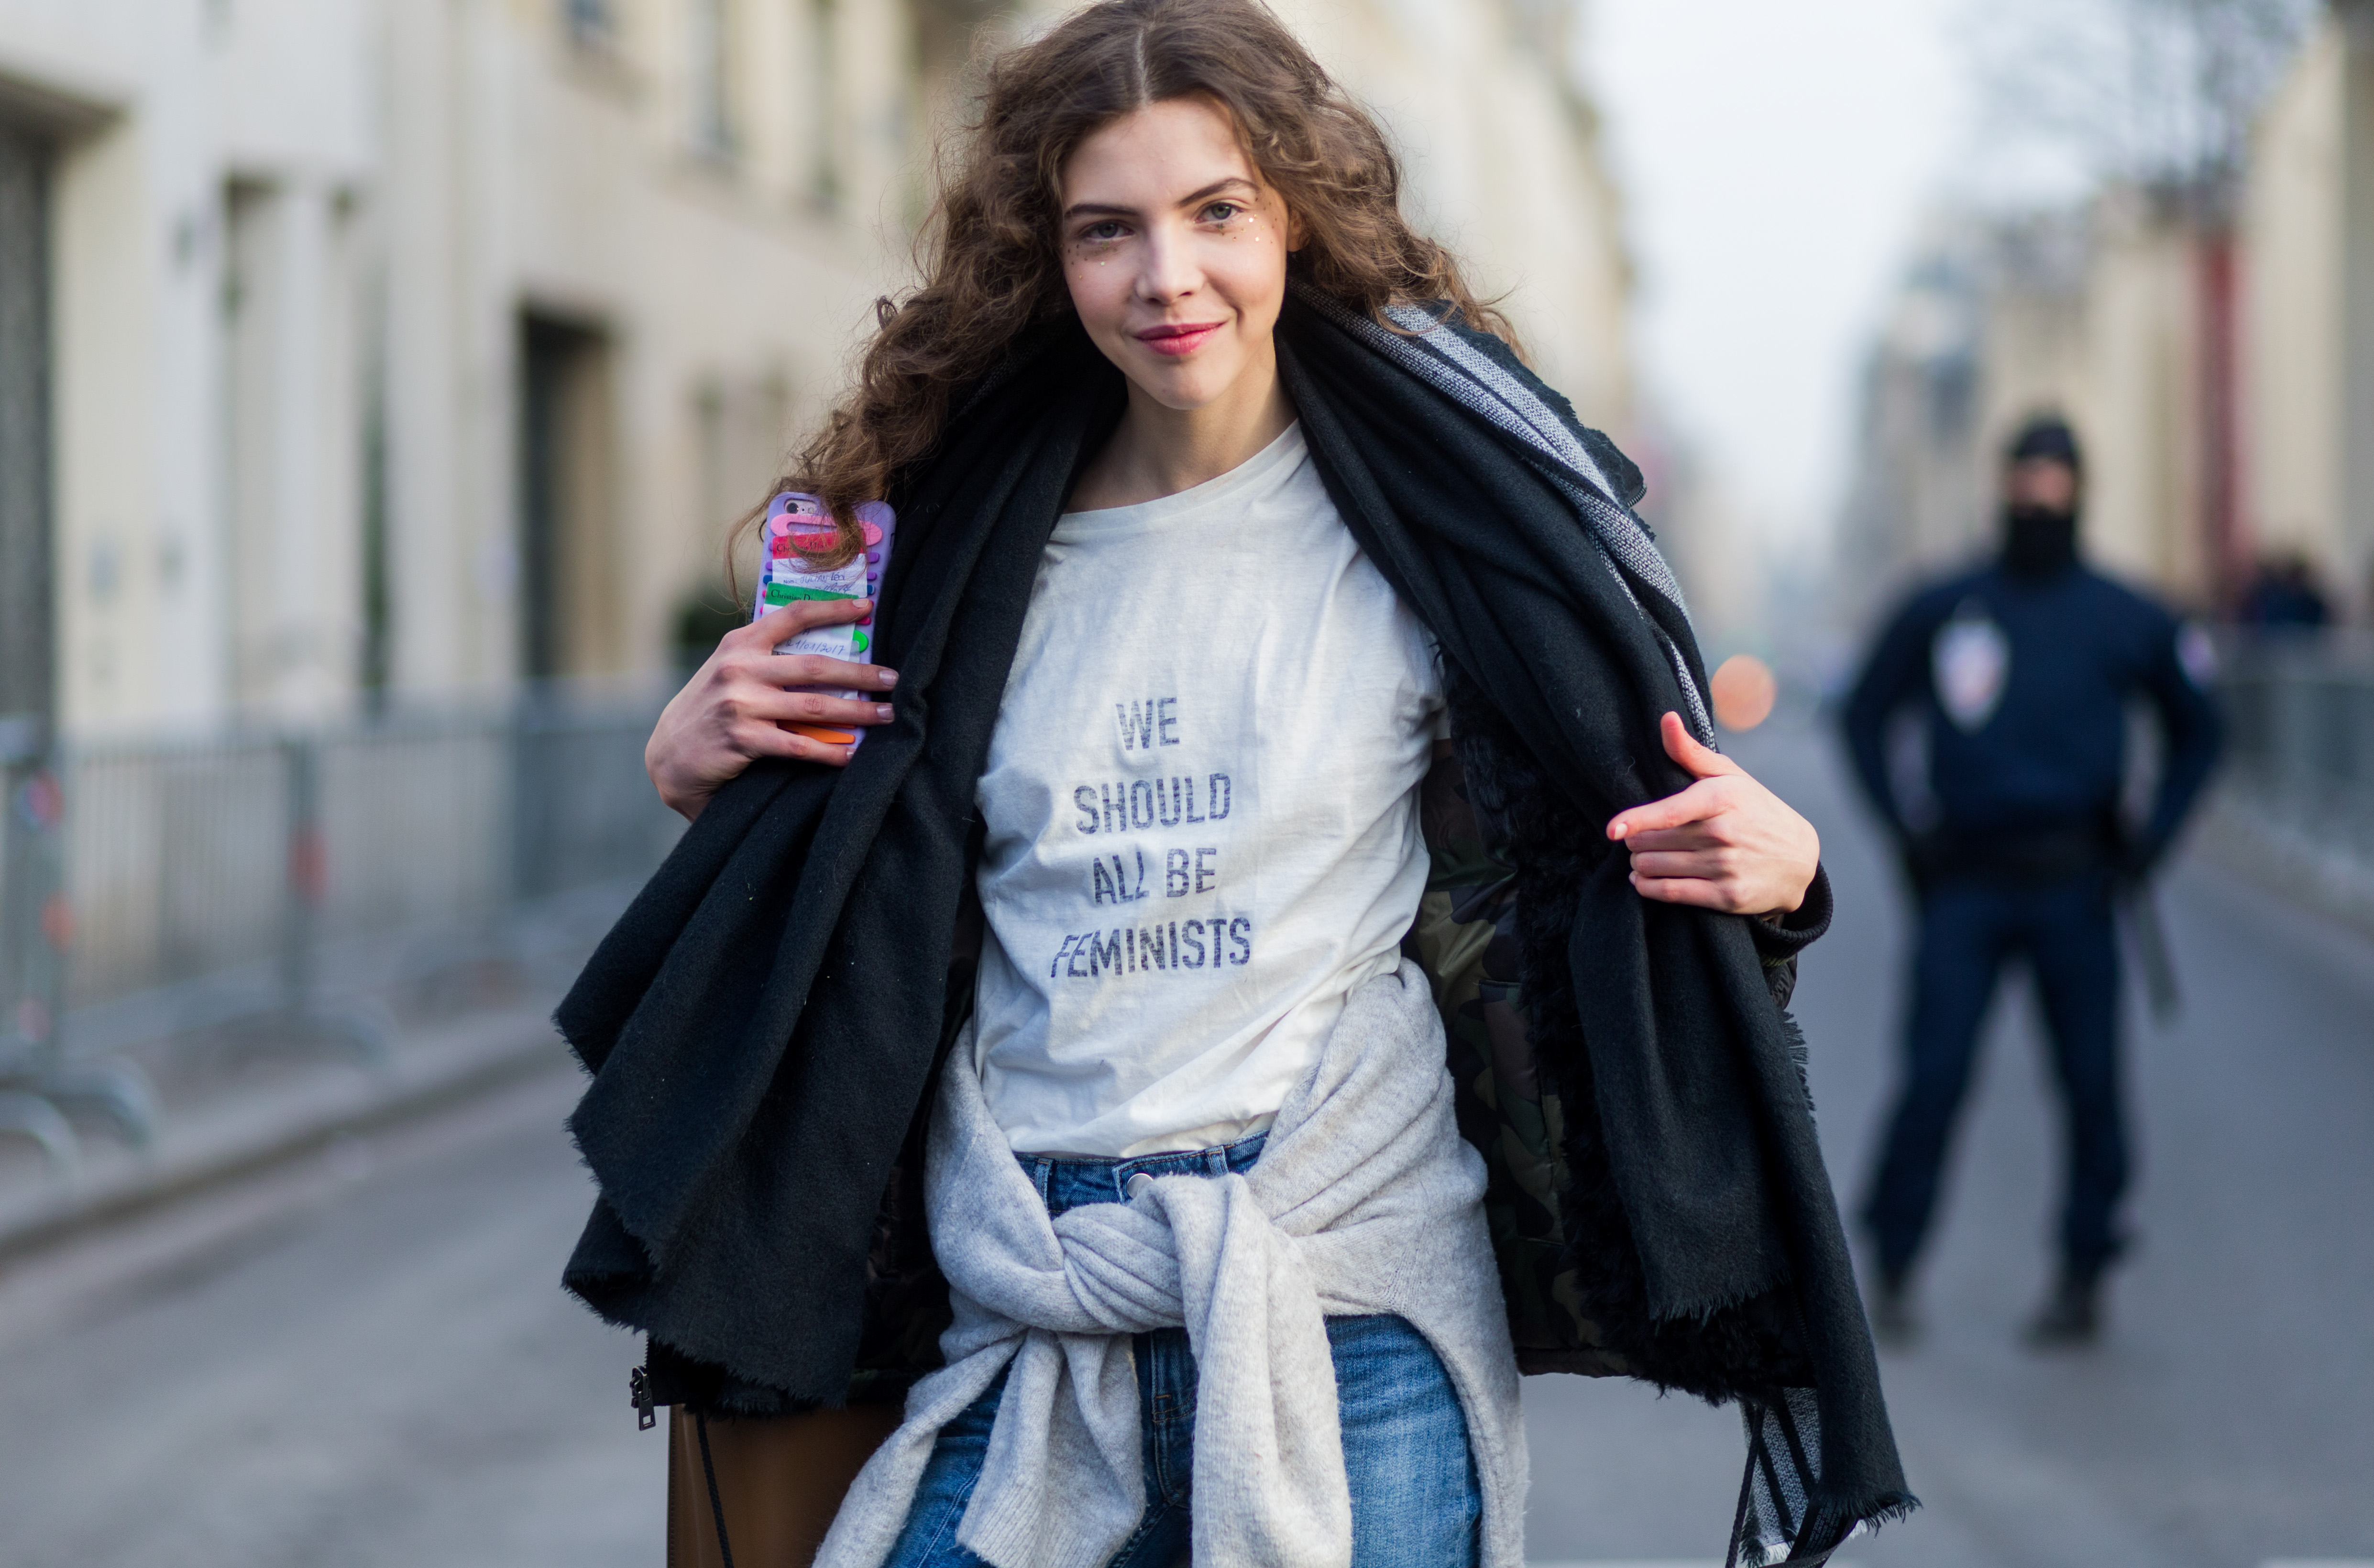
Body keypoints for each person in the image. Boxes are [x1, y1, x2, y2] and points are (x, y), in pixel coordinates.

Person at [564, 4, 1909, 1565]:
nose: (1166, 276)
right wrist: (699, 779)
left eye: (1216, 213)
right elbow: (825, 886)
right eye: (1105, 229)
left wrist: (1785, 869)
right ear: (1044, 256)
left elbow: (1609, 819)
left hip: (1349, 1296)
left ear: (1295, 216)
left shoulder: (1440, 520)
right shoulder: (945, 544)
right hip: (1032, 1294)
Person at [1841, 414, 2221, 1349]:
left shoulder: (2125, 613)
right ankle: (1891, 1261)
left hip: (2075, 885)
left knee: (2090, 1086)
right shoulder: (1947, 604)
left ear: (2079, 490)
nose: (2038, 497)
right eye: (2025, 478)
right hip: (1964, 883)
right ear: (2001, 485)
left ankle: (2084, 1269)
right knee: (1932, 1077)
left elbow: (2200, 730)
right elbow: (1862, 713)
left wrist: (2150, 845)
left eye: (2055, 480)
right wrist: (1903, 834)